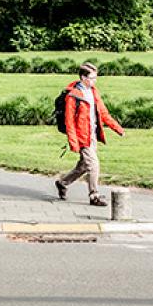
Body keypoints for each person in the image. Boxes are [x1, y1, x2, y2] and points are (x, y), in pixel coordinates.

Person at [55, 62, 124, 207]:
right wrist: (73, 142)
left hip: (92, 135)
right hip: (82, 137)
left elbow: (103, 113)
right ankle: (94, 196)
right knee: (93, 164)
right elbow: (69, 122)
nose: (95, 81)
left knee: (83, 166)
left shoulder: (93, 92)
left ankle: (62, 183)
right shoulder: (73, 96)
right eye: (92, 78)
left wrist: (117, 128)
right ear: (83, 77)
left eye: (95, 77)